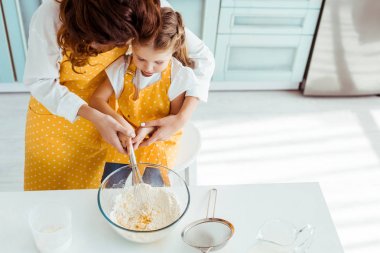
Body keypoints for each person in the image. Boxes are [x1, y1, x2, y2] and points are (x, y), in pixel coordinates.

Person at [23, 0, 214, 190]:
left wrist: (181, 118)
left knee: (96, 198)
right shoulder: (50, 15)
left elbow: (202, 59)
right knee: (49, 197)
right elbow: (41, 82)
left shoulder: (147, 9)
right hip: (56, 122)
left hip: (111, 121)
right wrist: (95, 116)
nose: (104, 50)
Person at [90, 7, 199, 183]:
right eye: (140, 59)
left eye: (158, 62)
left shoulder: (177, 76)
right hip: (127, 133)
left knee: (152, 182)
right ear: (131, 45)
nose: (148, 68)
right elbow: (96, 99)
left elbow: (173, 118)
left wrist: (145, 130)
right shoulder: (123, 67)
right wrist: (122, 125)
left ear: (174, 49)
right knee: (112, 180)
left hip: (158, 136)